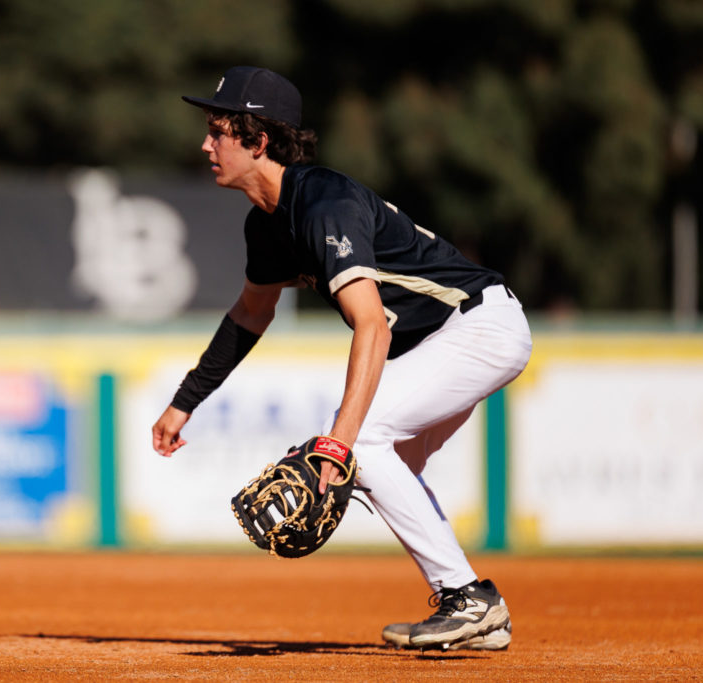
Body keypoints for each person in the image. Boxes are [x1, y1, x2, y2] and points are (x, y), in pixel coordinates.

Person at [151, 66, 532, 651]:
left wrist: (337, 439)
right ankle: (476, 610)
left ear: (257, 140)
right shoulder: (268, 227)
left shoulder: (325, 201)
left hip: (478, 325)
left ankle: (466, 596)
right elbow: (251, 315)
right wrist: (185, 402)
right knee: (388, 462)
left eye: (219, 130)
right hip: (445, 338)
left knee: (363, 439)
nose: (206, 144)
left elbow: (372, 326)